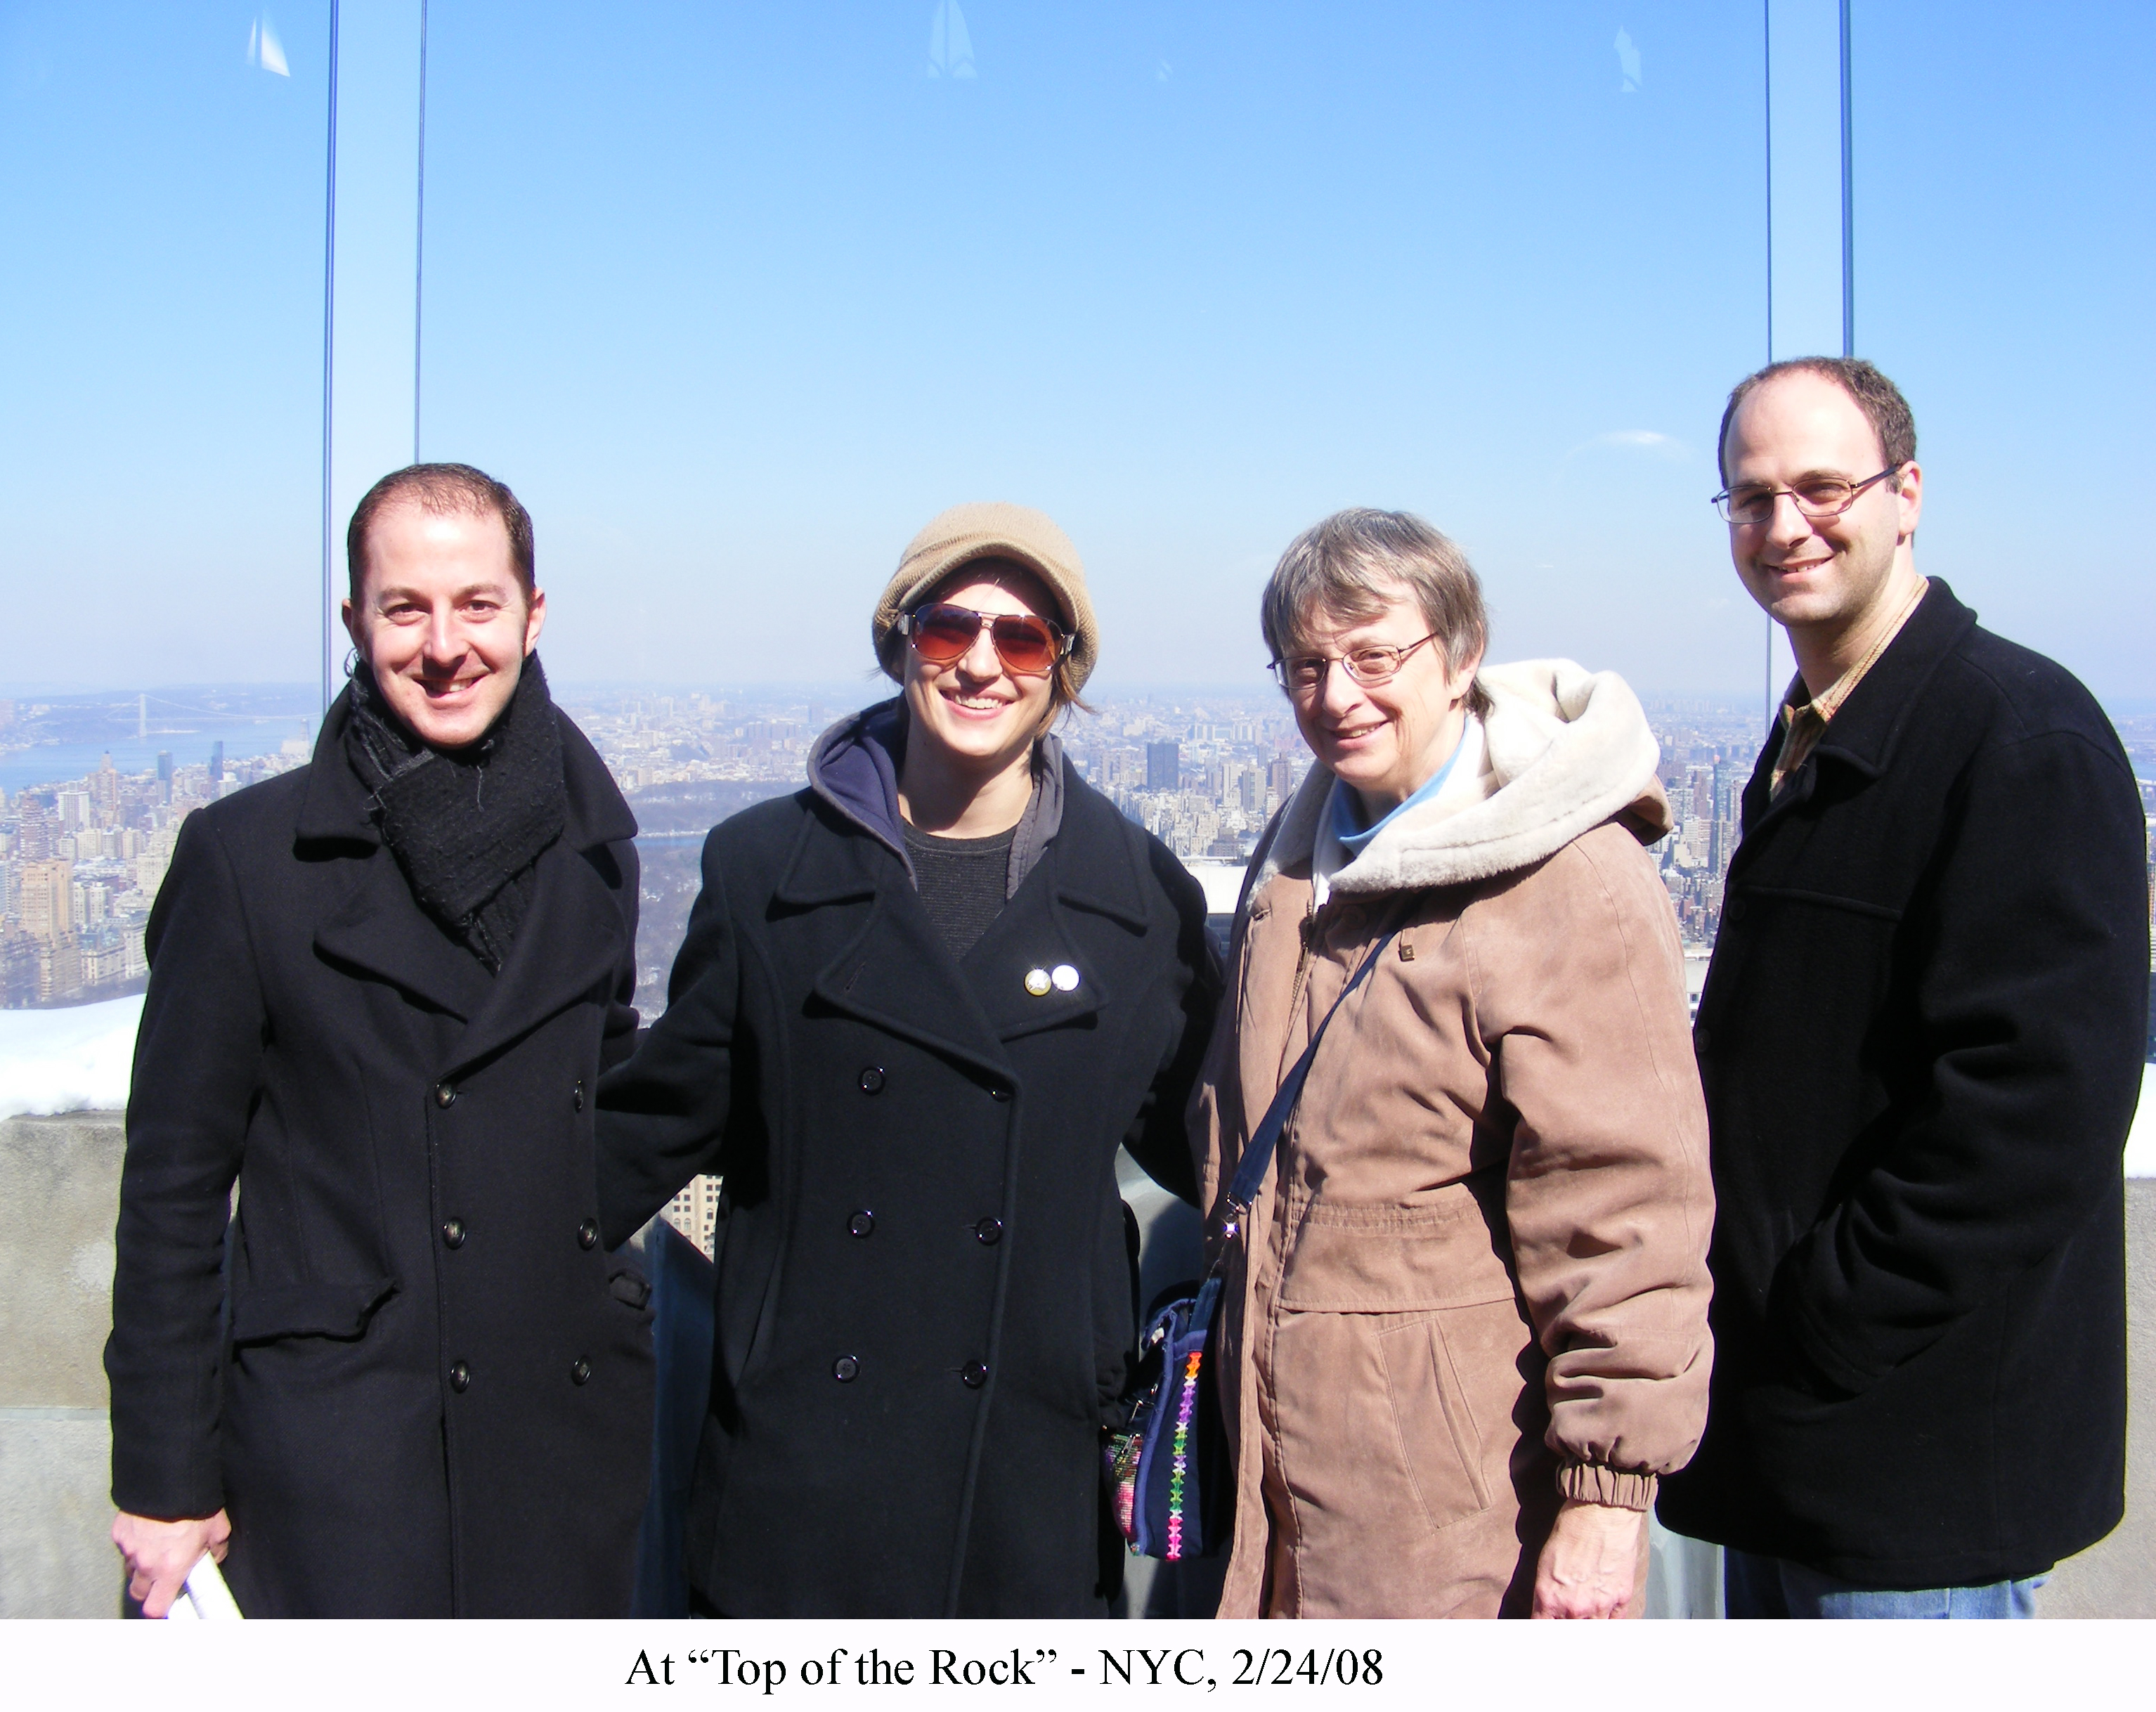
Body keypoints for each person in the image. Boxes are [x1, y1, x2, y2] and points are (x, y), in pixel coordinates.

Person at [594, 501, 1218, 1618]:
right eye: (949, 628)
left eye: (1024, 638)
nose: (982, 663)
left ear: (1063, 673)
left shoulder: (1137, 899)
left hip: (1026, 1476)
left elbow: (1213, 1146)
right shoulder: (764, 871)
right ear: (899, 640)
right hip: (802, 1470)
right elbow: (648, 1131)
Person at [106, 464, 653, 1618]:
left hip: (561, 1430)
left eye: (478, 605)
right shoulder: (247, 861)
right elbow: (173, 1188)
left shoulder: (595, 845)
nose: (445, 645)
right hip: (344, 1450)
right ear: (356, 622)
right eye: (406, 608)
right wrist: (164, 1480)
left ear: (532, 615)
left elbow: (609, 1104)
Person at [1656, 358, 2149, 1617]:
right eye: (1750, 498)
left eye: (1823, 487)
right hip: (1798, 1440)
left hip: (1912, 1466)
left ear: (1907, 492)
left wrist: (1824, 1319)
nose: (1785, 527)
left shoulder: (2017, 736)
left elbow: (2036, 1113)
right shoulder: (1821, 729)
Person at [1190, 508, 1714, 1619]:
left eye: (1377, 657)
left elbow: (1628, 1204)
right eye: (1305, 667)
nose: (1338, 697)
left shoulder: (1567, 877)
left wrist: (1607, 1502)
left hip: (1457, 1497)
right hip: (1276, 1474)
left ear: (1463, 654)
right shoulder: (1294, 865)